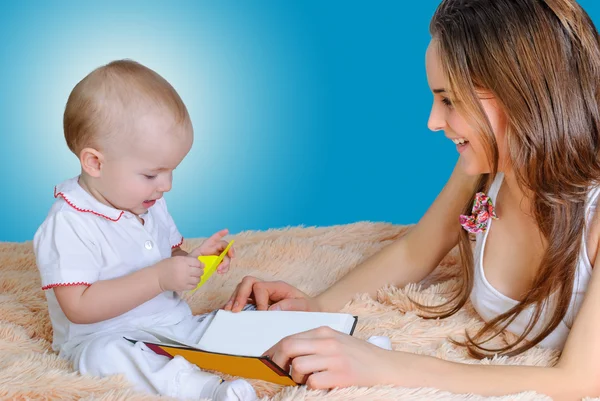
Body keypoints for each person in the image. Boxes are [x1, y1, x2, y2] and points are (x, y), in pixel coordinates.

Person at [224, 0, 600, 398]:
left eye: (449, 100)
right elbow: (417, 250)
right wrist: (320, 303)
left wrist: (383, 364)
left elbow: (578, 381)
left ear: (523, 96)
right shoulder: (488, 171)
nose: (433, 121)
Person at [33, 60, 257, 401]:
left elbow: (169, 258)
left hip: (173, 326)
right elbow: (78, 307)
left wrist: (195, 261)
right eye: (152, 174)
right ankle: (206, 390)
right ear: (95, 162)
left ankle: (325, 341)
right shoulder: (68, 223)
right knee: (102, 358)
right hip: (106, 336)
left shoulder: (147, 203)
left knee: (241, 320)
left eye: (171, 171)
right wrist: (157, 279)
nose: (166, 185)